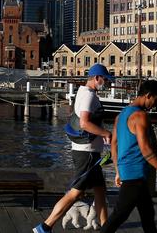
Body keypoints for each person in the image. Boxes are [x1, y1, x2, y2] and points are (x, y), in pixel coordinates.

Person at [33, 64, 113, 233]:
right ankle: (44, 227)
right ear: (97, 77)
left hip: (90, 152)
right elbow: (84, 123)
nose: (107, 83)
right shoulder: (89, 96)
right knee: (75, 194)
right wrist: (106, 133)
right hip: (87, 154)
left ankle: (107, 228)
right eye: (105, 79)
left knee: (100, 192)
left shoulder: (85, 93)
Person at [101, 80, 157, 233]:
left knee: (148, 216)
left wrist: (118, 171)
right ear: (148, 95)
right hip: (134, 175)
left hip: (131, 174)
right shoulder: (140, 116)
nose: (155, 104)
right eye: (156, 100)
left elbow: (114, 145)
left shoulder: (121, 115)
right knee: (118, 216)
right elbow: (146, 150)